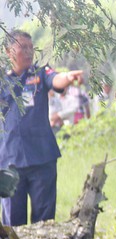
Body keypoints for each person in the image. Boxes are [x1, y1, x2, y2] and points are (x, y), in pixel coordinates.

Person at [0, 30, 83, 226]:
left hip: (42, 158)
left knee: (44, 222)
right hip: (10, 161)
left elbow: (56, 79)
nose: (29, 52)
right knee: (13, 224)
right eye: (23, 47)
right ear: (7, 51)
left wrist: (68, 77)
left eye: (31, 47)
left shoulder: (40, 73)